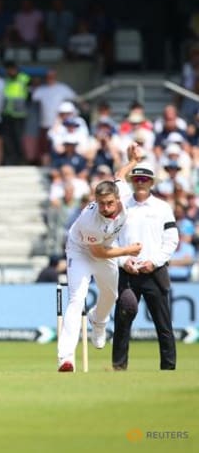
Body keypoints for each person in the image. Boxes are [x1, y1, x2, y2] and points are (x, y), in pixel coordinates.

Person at [57, 147, 143, 372]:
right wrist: (127, 251)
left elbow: (119, 176)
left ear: (117, 198)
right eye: (101, 203)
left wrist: (132, 161)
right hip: (81, 251)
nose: (105, 208)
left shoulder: (123, 194)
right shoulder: (90, 221)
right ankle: (66, 358)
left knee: (111, 294)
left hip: (106, 247)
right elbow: (98, 254)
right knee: (77, 299)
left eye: (109, 203)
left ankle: (98, 320)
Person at [113, 162, 179, 371]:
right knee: (123, 322)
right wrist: (124, 261)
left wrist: (154, 262)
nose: (140, 183)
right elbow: (111, 239)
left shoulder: (162, 207)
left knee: (163, 324)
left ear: (151, 182)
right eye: (137, 179)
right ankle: (118, 367)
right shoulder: (122, 206)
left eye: (145, 179)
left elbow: (171, 240)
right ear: (132, 182)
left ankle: (168, 368)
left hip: (154, 272)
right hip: (128, 272)